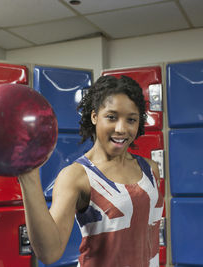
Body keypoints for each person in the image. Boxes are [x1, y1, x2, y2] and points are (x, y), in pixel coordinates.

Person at [18, 75, 164, 267]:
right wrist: (29, 178)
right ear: (94, 116)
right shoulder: (77, 176)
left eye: (131, 120)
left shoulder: (150, 169)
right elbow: (49, 253)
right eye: (111, 117)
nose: (121, 128)